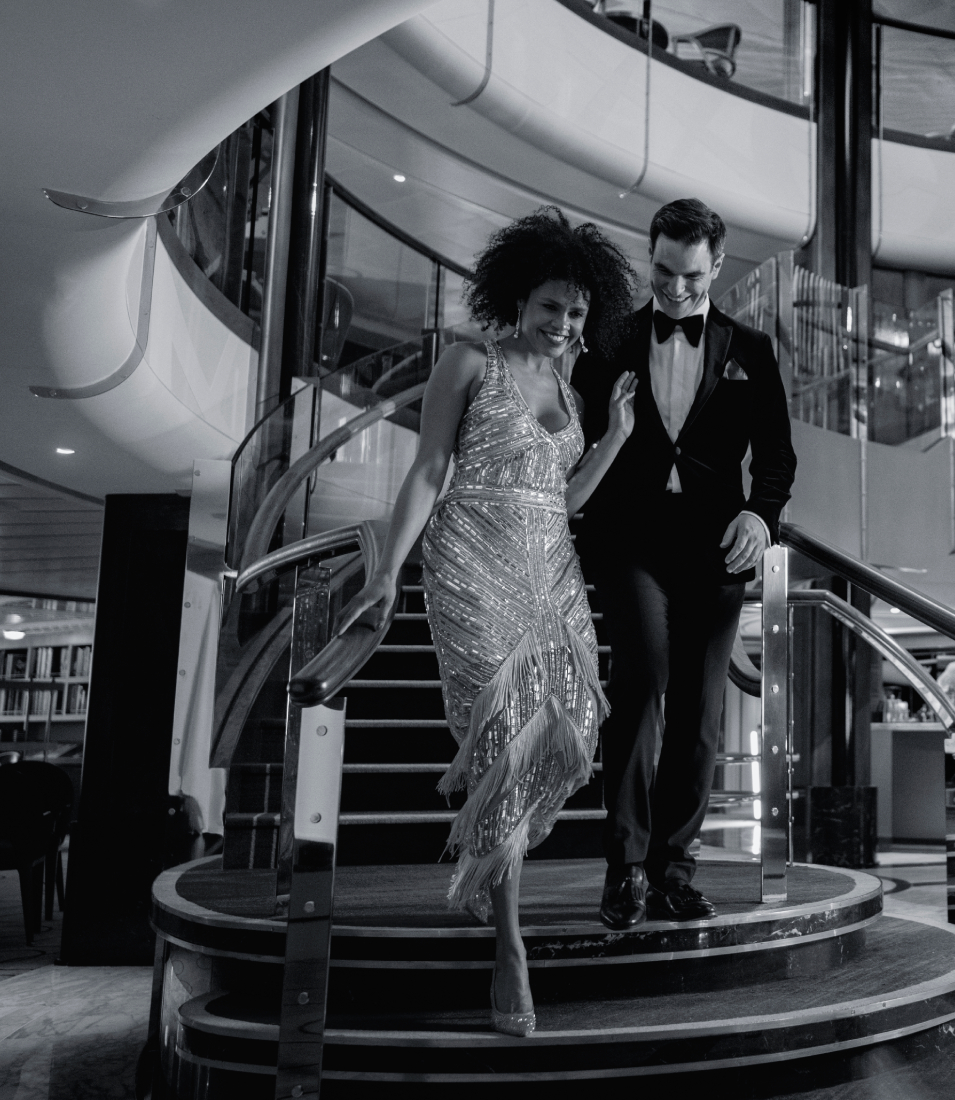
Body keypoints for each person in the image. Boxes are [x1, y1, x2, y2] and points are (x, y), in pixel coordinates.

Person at [338, 207, 641, 1036]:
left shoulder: (572, 392)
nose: (563, 323)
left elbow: (563, 501)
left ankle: (490, 859)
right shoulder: (469, 361)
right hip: (471, 555)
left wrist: (614, 436)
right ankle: (510, 946)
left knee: (573, 722)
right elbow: (429, 467)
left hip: (551, 566)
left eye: (576, 311)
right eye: (550, 306)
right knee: (505, 734)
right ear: (517, 298)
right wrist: (387, 569)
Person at [572, 199, 796, 931]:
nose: (673, 289)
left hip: (716, 546)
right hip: (630, 540)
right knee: (641, 682)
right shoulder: (611, 339)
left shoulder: (751, 349)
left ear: (718, 266)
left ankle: (674, 869)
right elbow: (574, 438)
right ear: (652, 255)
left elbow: (777, 457)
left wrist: (760, 516)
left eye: (690, 277)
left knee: (700, 712)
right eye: (663, 272)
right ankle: (625, 868)